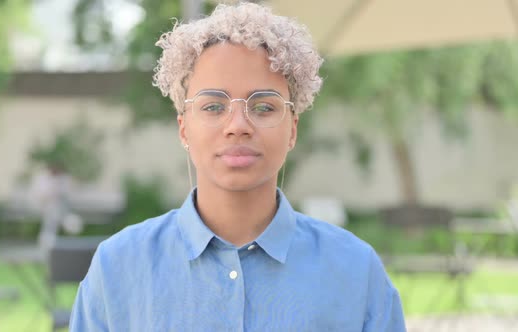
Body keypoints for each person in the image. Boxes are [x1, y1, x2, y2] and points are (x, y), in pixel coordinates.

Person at [70, 2, 406, 331]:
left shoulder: (356, 272)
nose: (238, 125)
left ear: (293, 129)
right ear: (184, 128)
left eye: (263, 107)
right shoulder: (118, 268)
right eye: (214, 106)